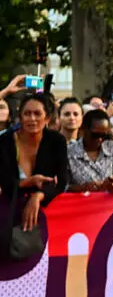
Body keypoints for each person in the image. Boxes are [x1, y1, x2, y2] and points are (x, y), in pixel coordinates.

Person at [0, 93, 68, 259]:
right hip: (8, 215)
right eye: (27, 113)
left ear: (47, 118)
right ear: (20, 117)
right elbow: (4, 182)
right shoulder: (5, 142)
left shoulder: (57, 141)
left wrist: (38, 196)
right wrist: (28, 182)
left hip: (46, 217)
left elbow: (62, 181)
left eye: (37, 114)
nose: (32, 119)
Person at [66, 109, 113, 193]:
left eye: (103, 135)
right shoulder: (69, 152)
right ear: (83, 130)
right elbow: (63, 187)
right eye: (95, 135)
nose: (100, 139)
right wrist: (84, 187)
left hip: (109, 200)